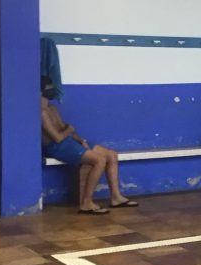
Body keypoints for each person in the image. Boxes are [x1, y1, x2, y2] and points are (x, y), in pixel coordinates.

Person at [41, 76, 137, 214]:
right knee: (99, 160)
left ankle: (116, 198)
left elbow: (64, 128)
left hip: (67, 142)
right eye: (48, 88)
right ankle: (86, 203)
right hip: (57, 147)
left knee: (111, 155)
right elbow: (57, 138)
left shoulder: (52, 109)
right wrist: (70, 130)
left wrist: (80, 140)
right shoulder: (41, 113)